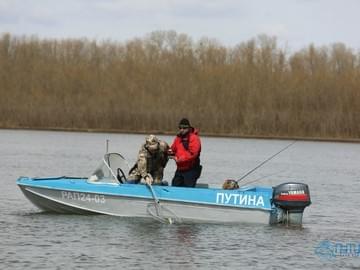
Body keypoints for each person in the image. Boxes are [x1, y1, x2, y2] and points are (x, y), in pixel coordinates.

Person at [169, 118, 202, 187]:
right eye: (180, 128)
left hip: (191, 170)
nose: (182, 130)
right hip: (180, 169)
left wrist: (180, 159)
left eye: (184, 128)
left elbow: (193, 154)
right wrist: (169, 153)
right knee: (174, 187)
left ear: (189, 128)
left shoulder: (194, 138)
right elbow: (173, 149)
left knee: (188, 189)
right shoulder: (178, 138)